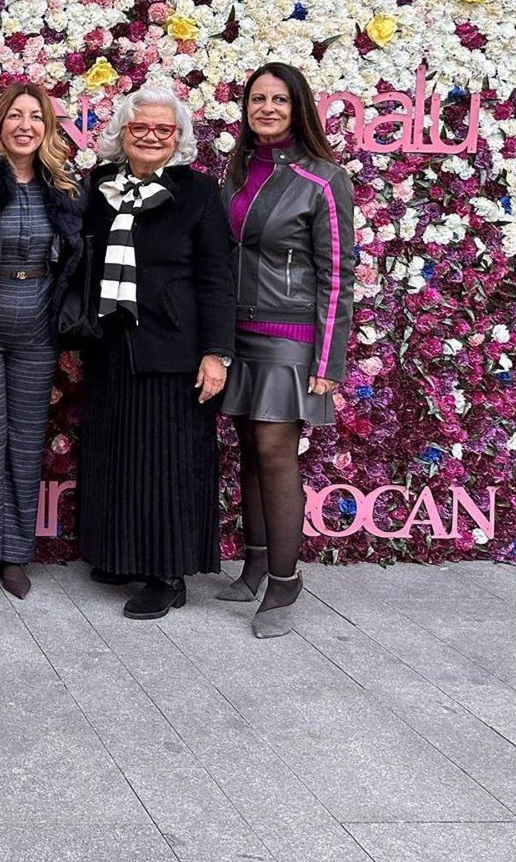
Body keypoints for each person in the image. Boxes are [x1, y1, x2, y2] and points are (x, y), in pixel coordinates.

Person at [75, 84, 234, 619]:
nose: (149, 136)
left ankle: (167, 573)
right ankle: (121, 555)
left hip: (173, 347)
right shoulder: (99, 184)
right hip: (110, 343)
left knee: (168, 460)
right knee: (117, 452)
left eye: (162, 130)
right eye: (139, 127)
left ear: (178, 138)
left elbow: (216, 277)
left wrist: (216, 353)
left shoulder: (198, 193)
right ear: (122, 131)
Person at [217, 62, 355, 637]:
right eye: (257, 99)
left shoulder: (323, 178)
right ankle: (253, 561)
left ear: (298, 108)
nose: (266, 108)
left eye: (278, 100)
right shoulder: (235, 171)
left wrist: (328, 361)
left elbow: (338, 274)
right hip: (238, 333)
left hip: (290, 337)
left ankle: (285, 579)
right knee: (249, 442)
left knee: (275, 448)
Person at [0, 82, 84, 600]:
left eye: (35, 117)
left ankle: (15, 553)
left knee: (25, 440)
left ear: (47, 128)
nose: (24, 125)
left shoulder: (62, 188)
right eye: (14, 115)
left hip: (38, 325)